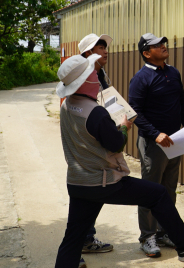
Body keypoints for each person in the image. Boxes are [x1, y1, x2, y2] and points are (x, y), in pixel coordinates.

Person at [54, 54, 184, 268]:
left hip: (78, 181)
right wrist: (124, 126)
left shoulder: (68, 105)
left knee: (72, 238)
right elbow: (116, 144)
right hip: (104, 180)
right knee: (158, 194)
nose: (96, 74)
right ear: (85, 81)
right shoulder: (96, 113)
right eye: (92, 72)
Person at [128, 33, 184, 257]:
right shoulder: (141, 78)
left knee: (169, 189)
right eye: (156, 45)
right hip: (154, 144)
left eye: (163, 43)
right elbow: (134, 113)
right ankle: (147, 237)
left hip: (175, 142)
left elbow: (181, 103)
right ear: (146, 53)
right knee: (150, 191)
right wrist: (155, 134)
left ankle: (164, 232)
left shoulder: (173, 72)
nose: (163, 46)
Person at [70, 33, 114, 267]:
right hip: (86, 143)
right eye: (100, 47)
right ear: (87, 53)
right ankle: (76, 249)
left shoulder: (100, 73)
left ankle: (85, 239)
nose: (105, 51)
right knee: (84, 195)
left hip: (98, 138)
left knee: (91, 195)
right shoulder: (82, 75)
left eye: (105, 47)